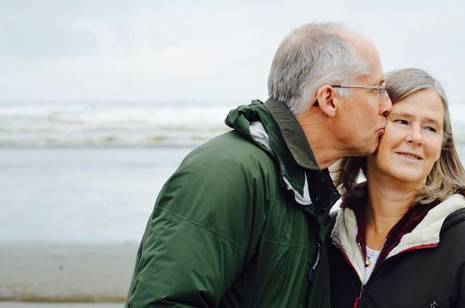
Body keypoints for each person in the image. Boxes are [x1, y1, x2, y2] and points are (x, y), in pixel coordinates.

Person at [126, 23, 392, 307]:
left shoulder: (304, 187)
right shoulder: (228, 173)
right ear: (328, 99)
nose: (387, 105)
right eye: (376, 89)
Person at [328, 68, 465, 308]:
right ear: (373, 126)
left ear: (442, 145)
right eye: (402, 121)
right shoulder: (329, 236)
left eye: (430, 127)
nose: (416, 137)